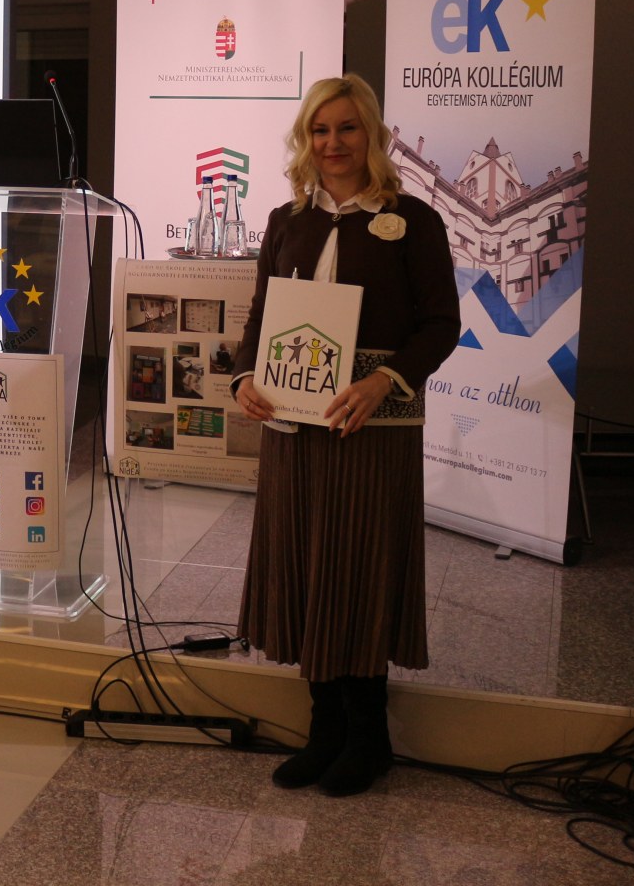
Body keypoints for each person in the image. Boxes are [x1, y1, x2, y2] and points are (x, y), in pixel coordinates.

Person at [230, 73, 459, 796]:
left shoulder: (413, 221)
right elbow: (259, 318)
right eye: (320, 130)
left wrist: (383, 380)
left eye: (348, 128)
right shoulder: (285, 221)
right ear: (307, 139)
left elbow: (441, 325)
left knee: (362, 567)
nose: (333, 143)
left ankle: (369, 736)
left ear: (374, 135)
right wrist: (243, 377)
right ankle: (323, 727)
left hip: (373, 427)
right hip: (294, 431)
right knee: (305, 565)